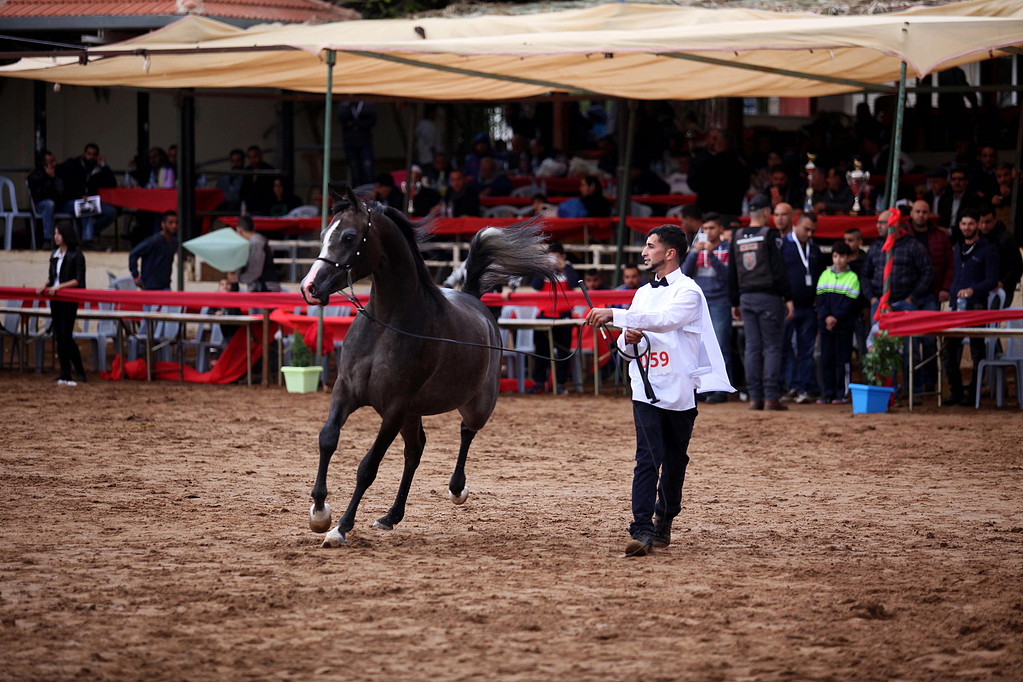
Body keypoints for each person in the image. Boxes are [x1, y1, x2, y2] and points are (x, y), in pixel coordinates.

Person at [585, 224, 732, 557]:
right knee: (647, 458)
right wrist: (627, 338)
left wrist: (616, 314)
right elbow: (626, 346)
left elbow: (665, 320)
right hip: (645, 389)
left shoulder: (689, 291)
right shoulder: (642, 293)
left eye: (650, 246)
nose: (643, 252)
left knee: (675, 461)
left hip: (679, 390)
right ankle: (641, 529)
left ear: (670, 253)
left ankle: (665, 519)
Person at [728, 193, 793, 411]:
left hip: (746, 297)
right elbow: (779, 270)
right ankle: (771, 397)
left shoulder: (737, 236)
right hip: (769, 297)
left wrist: (734, 300)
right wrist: (788, 297)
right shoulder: (769, 234)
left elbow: (732, 272)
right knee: (772, 347)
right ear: (766, 212)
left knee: (752, 347)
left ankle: (755, 397)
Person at [944, 209, 998, 406]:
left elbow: (991, 280)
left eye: (971, 224)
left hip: (976, 307)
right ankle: (956, 392)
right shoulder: (957, 247)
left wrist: (972, 290)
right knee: (949, 352)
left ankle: (974, 393)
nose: (967, 228)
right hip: (955, 307)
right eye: (964, 224)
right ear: (959, 226)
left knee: (976, 351)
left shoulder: (987, 248)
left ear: (978, 225)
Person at [681, 212, 732, 403]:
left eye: (712, 228)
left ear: (720, 229)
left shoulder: (727, 248)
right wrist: (695, 252)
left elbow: (728, 276)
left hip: (720, 301)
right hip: (699, 303)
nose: (708, 232)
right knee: (699, 348)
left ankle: (720, 389)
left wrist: (712, 255)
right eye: (706, 228)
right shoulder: (696, 249)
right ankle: (703, 389)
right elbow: (685, 273)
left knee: (719, 346)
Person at [780, 212, 824, 403]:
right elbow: (778, 274)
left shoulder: (814, 249)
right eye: (807, 229)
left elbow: (821, 275)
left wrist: (818, 297)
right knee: (785, 347)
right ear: (796, 224)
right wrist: (783, 298)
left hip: (808, 307)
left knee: (806, 349)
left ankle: (804, 388)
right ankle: (790, 386)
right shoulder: (782, 245)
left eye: (813, 231)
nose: (810, 234)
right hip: (787, 306)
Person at [36, 221, 87, 386]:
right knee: (59, 335)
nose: (55, 237)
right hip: (55, 298)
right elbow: (52, 276)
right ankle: (65, 371)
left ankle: (79, 370)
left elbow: (78, 280)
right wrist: (45, 284)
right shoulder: (54, 255)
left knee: (66, 335)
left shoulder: (76, 255)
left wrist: (59, 287)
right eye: (55, 233)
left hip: (68, 299)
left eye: (58, 233)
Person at [528, 242, 578, 393]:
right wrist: (544, 267)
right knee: (541, 351)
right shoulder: (544, 270)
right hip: (544, 315)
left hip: (564, 317)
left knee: (563, 352)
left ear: (563, 256)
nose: (553, 261)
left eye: (556, 258)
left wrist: (564, 266)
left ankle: (561, 384)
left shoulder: (568, 269)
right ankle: (539, 383)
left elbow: (574, 283)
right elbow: (535, 286)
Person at [815, 241, 860, 404]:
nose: (838, 260)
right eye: (835, 256)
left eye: (842, 256)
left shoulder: (853, 277)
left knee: (843, 361)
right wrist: (826, 317)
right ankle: (827, 393)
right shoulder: (825, 275)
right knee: (826, 359)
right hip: (826, 326)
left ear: (848, 258)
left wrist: (835, 318)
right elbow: (819, 300)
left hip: (843, 326)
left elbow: (850, 303)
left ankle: (842, 393)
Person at [56, 142, 118, 246]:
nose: (91, 157)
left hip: (91, 201)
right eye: (89, 154)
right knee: (87, 206)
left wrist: (104, 166)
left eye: (94, 155)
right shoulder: (73, 165)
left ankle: (88, 233)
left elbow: (112, 184)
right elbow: (63, 181)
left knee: (111, 212)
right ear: (84, 154)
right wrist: (79, 196)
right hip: (70, 201)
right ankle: (87, 240)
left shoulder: (98, 169)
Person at [978, 204, 1022, 308]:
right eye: (981, 222)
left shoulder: (1006, 239)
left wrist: (1002, 283)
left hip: (1001, 289)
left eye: (988, 222)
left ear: (995, 220)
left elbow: (1017, 267)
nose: (984, 226)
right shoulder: (976, 239)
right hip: (981, 288)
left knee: (992, 321)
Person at [129, 210, 178, 290]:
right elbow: (134, 254)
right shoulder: (154, 241)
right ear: (163, 224)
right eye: (170, 222)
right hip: (150, 287)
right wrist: (136, 276)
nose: (174, 225)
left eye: (176, 222)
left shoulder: (174, 242)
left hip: (165, 286)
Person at [26, 150, 64, 249]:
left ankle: (85, 240)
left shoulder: (59, 172)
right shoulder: (35, 175)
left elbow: (62, 193)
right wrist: (50, 179)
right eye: (51, 162)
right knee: (49, 204)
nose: (54, 163)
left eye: (54, 160)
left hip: (60, 204)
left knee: (80, 205)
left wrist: (55, 178)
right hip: (42, 204)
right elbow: (40, 195)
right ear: (44, 163)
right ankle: (48, 239)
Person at [234, 215, 282, 292]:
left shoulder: (256, 242)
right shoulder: (257, 241)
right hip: (263, 286)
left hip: (265, 287)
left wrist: (239, 278)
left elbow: (255, 270)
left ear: (239, 230)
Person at [338, 100, 377, 187]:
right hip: (350, 141)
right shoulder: (346, 104)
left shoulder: (367, 104)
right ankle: (356, 190)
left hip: (364, 141)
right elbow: (342, 118)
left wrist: (356, 123)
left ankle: (369, 190)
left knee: (367, 167)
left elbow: (372, 120)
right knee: (353, 168)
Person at [240, 145, 275, 216]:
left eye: (255, 157)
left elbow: (269, 191)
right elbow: (244, 189)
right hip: (250, 206)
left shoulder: (269, 170)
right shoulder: (247, 170)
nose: (253, 160)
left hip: (265, 207)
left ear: (261, 156)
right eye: (250, 157)